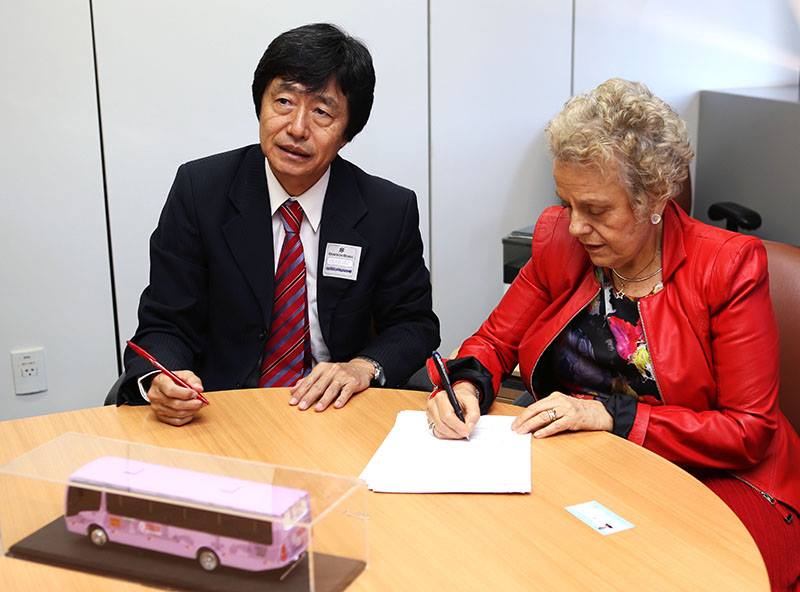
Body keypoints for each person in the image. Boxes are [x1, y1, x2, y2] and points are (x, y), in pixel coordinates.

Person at [427, 79, 799, 590]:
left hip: (720, 483)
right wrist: (466, 385)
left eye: (597, 210)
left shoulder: (728, 266)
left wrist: (610, 415)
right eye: (567, 202)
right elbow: (494, 342)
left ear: (654, 199)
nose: (575, 225)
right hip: (594, 473)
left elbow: (748, 430)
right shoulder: (560, 241)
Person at [119, 23, 439, 424]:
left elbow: (414, 325)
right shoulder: (202, 191)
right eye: (284, 101)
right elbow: (165, 323)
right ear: (261, 104)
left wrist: (362, 367)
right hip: (222, 411)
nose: (297, 128)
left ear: (347, 131)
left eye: (322, 111)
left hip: (335, 413)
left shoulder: (388, 209)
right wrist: (161, 378)